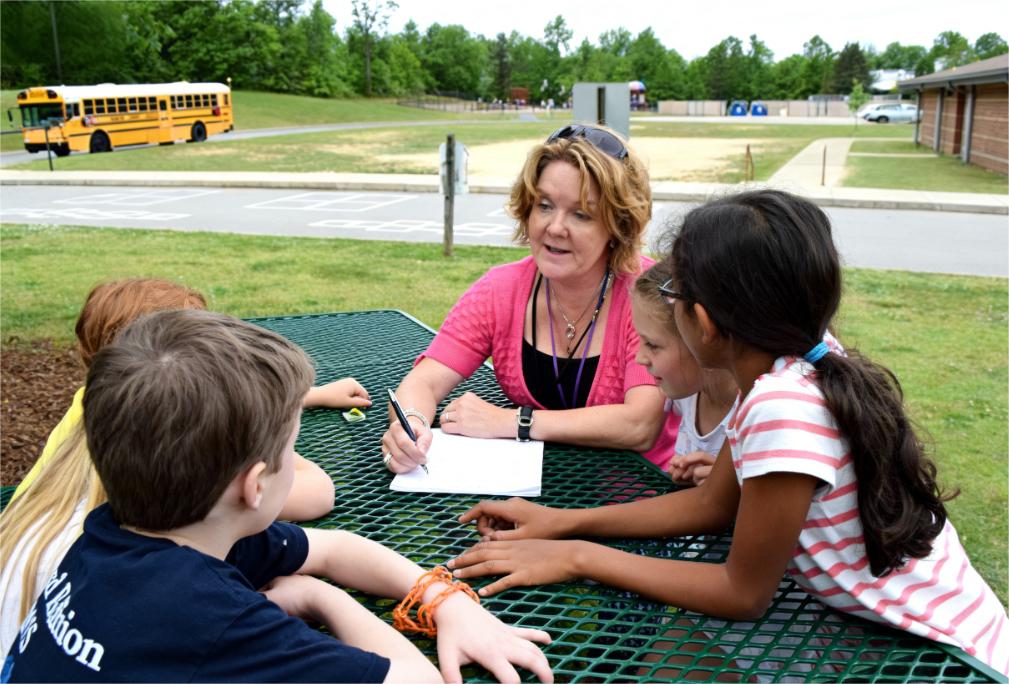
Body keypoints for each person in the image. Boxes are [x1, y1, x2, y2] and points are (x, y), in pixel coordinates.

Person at [446, 190, 1008, 675]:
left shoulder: (783, 406)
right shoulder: (792, 365)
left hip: (944, 658)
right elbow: (712, 505)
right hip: (901, 636)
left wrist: (577, 557)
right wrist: (564, 524)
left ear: (705, 323)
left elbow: (742, 593)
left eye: (674, 296)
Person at [2, 309, 553, 682]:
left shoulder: (126, 530)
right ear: (255, 484)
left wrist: (445, 599)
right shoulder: (214, 622)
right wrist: (321, 597)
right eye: (294, 448)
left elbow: (334, 547)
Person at [0, 278, 367, 657]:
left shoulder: (96, 417)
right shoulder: (170, 467)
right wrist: (268, 431)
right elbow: (319, 494)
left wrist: (299, 399)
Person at [382, 124, 677, 474]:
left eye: (581, 214)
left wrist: (515, 422)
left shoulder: (646, 293)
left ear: (618, 226)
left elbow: (640, 425)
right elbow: (423, 381)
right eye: (545, 206)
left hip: (639, 494)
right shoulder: (501, 290)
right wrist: (410, 424)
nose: (554, 228)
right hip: (535, 490)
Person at [630, 260, 736, 486]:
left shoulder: (754, 412)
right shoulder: (686, 390)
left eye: (652, 344)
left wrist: (730, 487)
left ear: (700, 338)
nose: (639, 357)